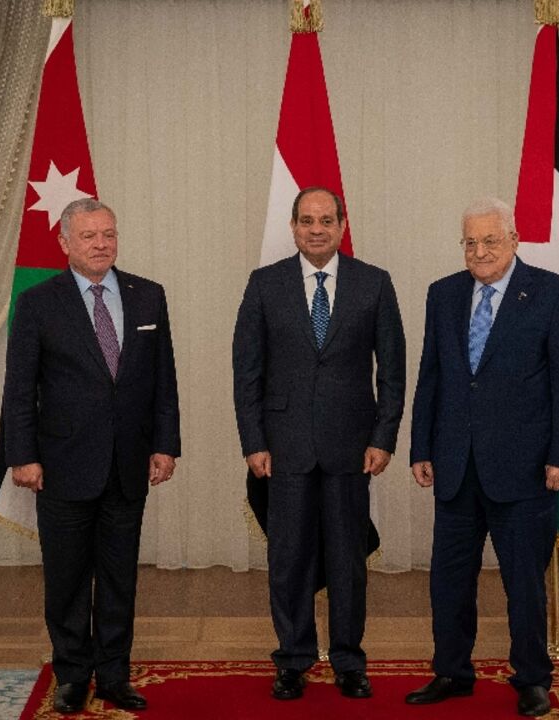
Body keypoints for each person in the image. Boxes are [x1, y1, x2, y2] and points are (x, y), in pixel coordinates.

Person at [405, 197, 559, 717]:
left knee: (523, 584)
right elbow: (431, 376)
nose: (479, 251)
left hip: (527, 469)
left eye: (490, 240)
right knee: (449, 581)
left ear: (514, 240)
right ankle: (452, 672)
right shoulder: (443, 295)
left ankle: (531, 678)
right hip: (455, 465)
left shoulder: (552, 294)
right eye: (470, 241)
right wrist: (422, 446)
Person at [2, 197, 180, 715]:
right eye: (89, 236)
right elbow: (20, 389)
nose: (101, 244)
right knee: (67, 578)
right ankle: (73, 674)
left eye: (108, 234)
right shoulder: (37, 302)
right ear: (64, 243)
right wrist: (23, 455)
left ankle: (115, 674)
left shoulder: (149, 296)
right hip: (60, 465)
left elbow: (163, 380)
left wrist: (166, 444)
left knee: (121, 576)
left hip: (128, 463)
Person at [232, 186, 405, 701]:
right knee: (288, 558)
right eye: (306, 220)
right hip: (282, 449)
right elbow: (247, 372)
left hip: (352, 448)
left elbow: (392, 372)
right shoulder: (265, 285)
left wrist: (384, 437)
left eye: (326, 220)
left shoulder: (375, 284)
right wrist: (253, 440)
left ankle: (350, 660)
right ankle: (293, 658)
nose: (316, 229)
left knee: (348, 558)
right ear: (293, 227)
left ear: (342, 225)